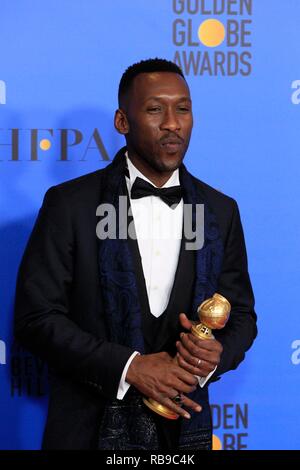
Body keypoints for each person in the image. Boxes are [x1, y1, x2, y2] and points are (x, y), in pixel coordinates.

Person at [14, 58, 257, 450]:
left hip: (185, 433)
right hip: (88, 433)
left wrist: (214, 356)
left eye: (183, 108)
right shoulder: (70, 205)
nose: (172, 123)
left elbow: (242, 316)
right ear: (122, 122)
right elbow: (35, 319)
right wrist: (130, 368)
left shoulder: (219, 210)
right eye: (155, 109)